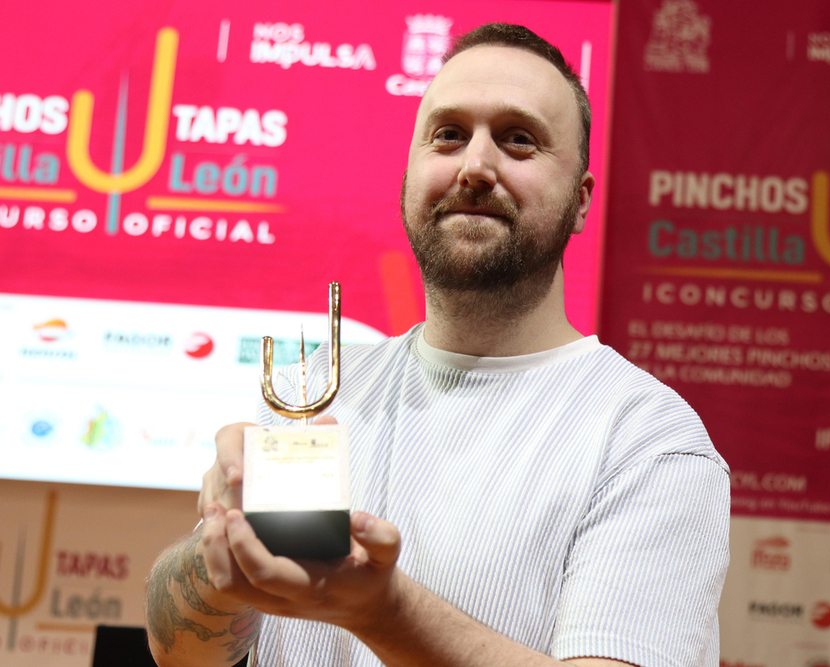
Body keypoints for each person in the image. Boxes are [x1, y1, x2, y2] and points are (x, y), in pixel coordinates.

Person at [145, 23, 729, 667]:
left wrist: (381, 611)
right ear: (411, 170)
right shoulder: (316, 391)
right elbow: (180, 652)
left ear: (582, 200)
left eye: (519, 140)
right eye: (448, 135)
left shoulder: (646, 439)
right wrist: (221, 554)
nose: (475, 167)